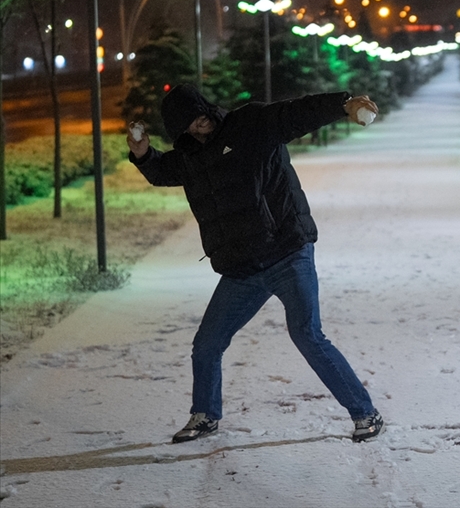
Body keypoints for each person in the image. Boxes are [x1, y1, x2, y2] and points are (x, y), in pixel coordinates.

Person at [127, 84, 384, 444]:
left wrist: (342, 104)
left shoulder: (250, 124)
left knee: (307, 334)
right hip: (242, 269)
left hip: (286, 251)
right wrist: (142, 154)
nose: (200, 126)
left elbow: (296, 113)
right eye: (190, 125)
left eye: (200, 117)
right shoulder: (190, 155)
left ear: (208, 108)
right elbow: (162, 171)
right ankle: (205, 415)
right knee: (207, 344)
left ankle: (365, 412)